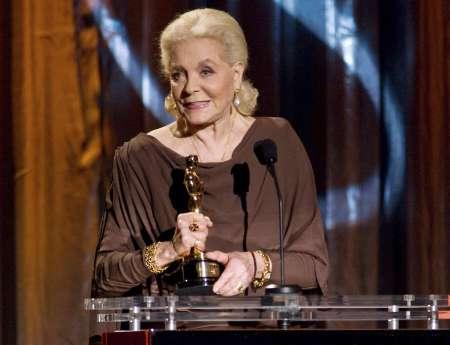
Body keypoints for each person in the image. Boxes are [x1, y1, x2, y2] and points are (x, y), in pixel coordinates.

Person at [93, 8, 329, 298]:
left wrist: (254, 265)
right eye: (178, 75)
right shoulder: (139, 158)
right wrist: (169, 250)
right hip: (176, 333)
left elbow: (314, 266)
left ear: (236, 73)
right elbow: (105, 278)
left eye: (206, 71)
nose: (190, 88)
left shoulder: (276, 144)